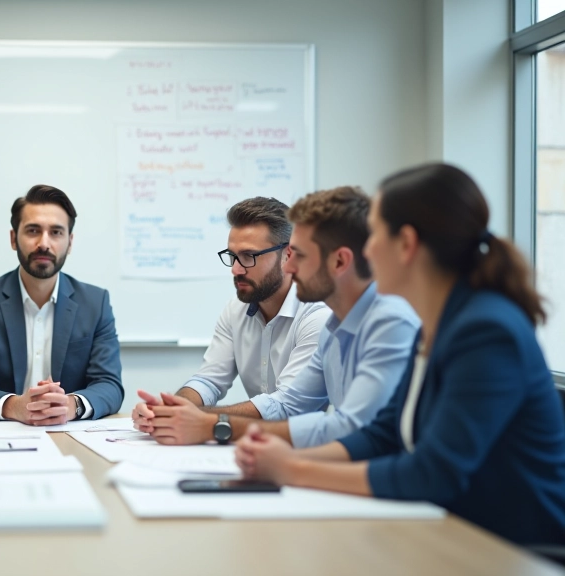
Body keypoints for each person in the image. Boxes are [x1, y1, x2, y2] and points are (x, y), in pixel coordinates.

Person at [235, 163, 565, 546]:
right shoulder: (439, 323)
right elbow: (383, 434)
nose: (367, 250)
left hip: (515, 550)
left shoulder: (486, 330)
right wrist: (286, 460)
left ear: (406, 244)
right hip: (456, 533)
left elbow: (433, 472)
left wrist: (294, 470)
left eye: (375, 235)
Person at [137, 187, 419, 448]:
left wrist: (210, 424)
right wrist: (178, 412)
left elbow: (351, 431)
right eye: (232, 256)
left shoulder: (386, 321)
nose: (291, 266)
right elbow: (298, 411)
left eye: (300, 255)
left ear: (340, 261)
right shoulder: (334, 326)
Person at [131, 197, 330, 436]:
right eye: (232, 256)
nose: (236, 269)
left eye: (249, 256)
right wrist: (170, 407)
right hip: (256, 446)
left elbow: (286, 406)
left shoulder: (318, 314)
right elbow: (209, 380)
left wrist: (190, 416)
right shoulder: (236, 310)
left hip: (308, 451)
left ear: (288, 255)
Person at [0, 184, 123, 424]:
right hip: (3, 436)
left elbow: (110, 384)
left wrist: (71, 405)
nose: (44, 243)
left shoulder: (95, 302)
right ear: (13, 238)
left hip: (70, 434)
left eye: (56, 232)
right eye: (33, 230)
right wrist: (14, 406)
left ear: (69, 243)